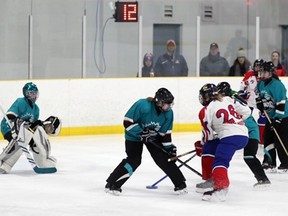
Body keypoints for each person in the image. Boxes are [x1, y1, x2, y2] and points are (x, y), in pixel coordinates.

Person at [105, 88, 187, 195]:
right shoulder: (143, 105)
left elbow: (164, 135)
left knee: (164, 158)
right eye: (167, 104)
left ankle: (180, 184)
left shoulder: (169, 114)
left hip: (152, 137)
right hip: (134, 136)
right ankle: (112, 183)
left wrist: (169, 148)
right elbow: (127, 122)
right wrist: (141, 132)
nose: (169, 107)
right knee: (134, 160)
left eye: (170, 104)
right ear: (159, 102)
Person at [195, 83, 249, 201]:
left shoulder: (206, 110)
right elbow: (247, 112)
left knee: (220, 161)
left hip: (230, 136)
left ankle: (221, 189)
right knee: (212, 151)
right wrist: (235, 122)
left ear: (207, 97)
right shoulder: (228, 99)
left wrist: (202, 144)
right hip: (243, 134)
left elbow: (208, 136)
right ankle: (211, 181)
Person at [216, 82, 270, 187]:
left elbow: (245, 113)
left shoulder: (231, 101)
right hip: (241, 131)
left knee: (249, 156)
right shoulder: (230, 99)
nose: (220, 96)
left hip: (250, 131)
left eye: (221, 93)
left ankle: (263, 179)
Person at [0, 82, 61, 173]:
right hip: (8, 127)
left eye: (35, 93)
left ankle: (45, 160)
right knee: (21, 138)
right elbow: (10, 116)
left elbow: (32, 128)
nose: (33, 96)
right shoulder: (20, 102)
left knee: (32, 137)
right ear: (25, 93)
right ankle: (4, 164)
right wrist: (16, 127)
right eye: (31, 93)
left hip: (22, 130)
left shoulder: (36, 109)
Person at [256, 61, 288, 173]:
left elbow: (281, 103)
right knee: (267, 138)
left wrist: (278, 120)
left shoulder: (277, 85)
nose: (262, 74)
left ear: (270, 73)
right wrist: (259, 103)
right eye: (261, 72)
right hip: (270, 116)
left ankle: (285, 163)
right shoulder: (260, 84)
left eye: (264, 72)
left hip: (283, 117)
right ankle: (269, 161)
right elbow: (259, 96)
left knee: (281, 140)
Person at [239, 59, 265, 144]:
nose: (257, 68)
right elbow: (243, 84)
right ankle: (245, 136)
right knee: (246, 118)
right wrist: (241, 92)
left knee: (263, 120)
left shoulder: (265, 75)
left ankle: (261, 138)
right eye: (256, 66)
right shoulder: (249, 74)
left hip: (262, 102)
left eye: (259, 66)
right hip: (250, 102)